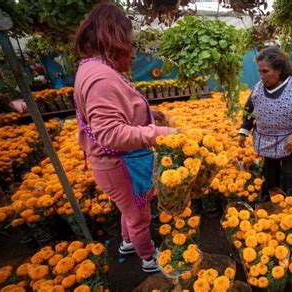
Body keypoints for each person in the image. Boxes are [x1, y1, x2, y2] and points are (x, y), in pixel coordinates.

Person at [74, 2, 178, 272]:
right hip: (120, 165)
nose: (132, 53)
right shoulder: (101, 78)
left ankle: (127, 243)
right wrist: (161, 134)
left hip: (113, 165)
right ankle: (148, 257)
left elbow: (113, 114)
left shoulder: (93, 68)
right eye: (130, 44)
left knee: (128, 209)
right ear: (114, 39)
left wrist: (148, 113)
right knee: (139, 215)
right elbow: (110, 133)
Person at [238, 46, 292, 199]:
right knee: (270, 170)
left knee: (289, 173)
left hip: (290, 140)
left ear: (279, 69)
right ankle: (271, 195)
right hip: (266, 139)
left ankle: (289, 200)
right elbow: (249, 110)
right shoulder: (258, 88)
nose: (261, 76)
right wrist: (244, 131)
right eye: (260, 72)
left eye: (265, 71)